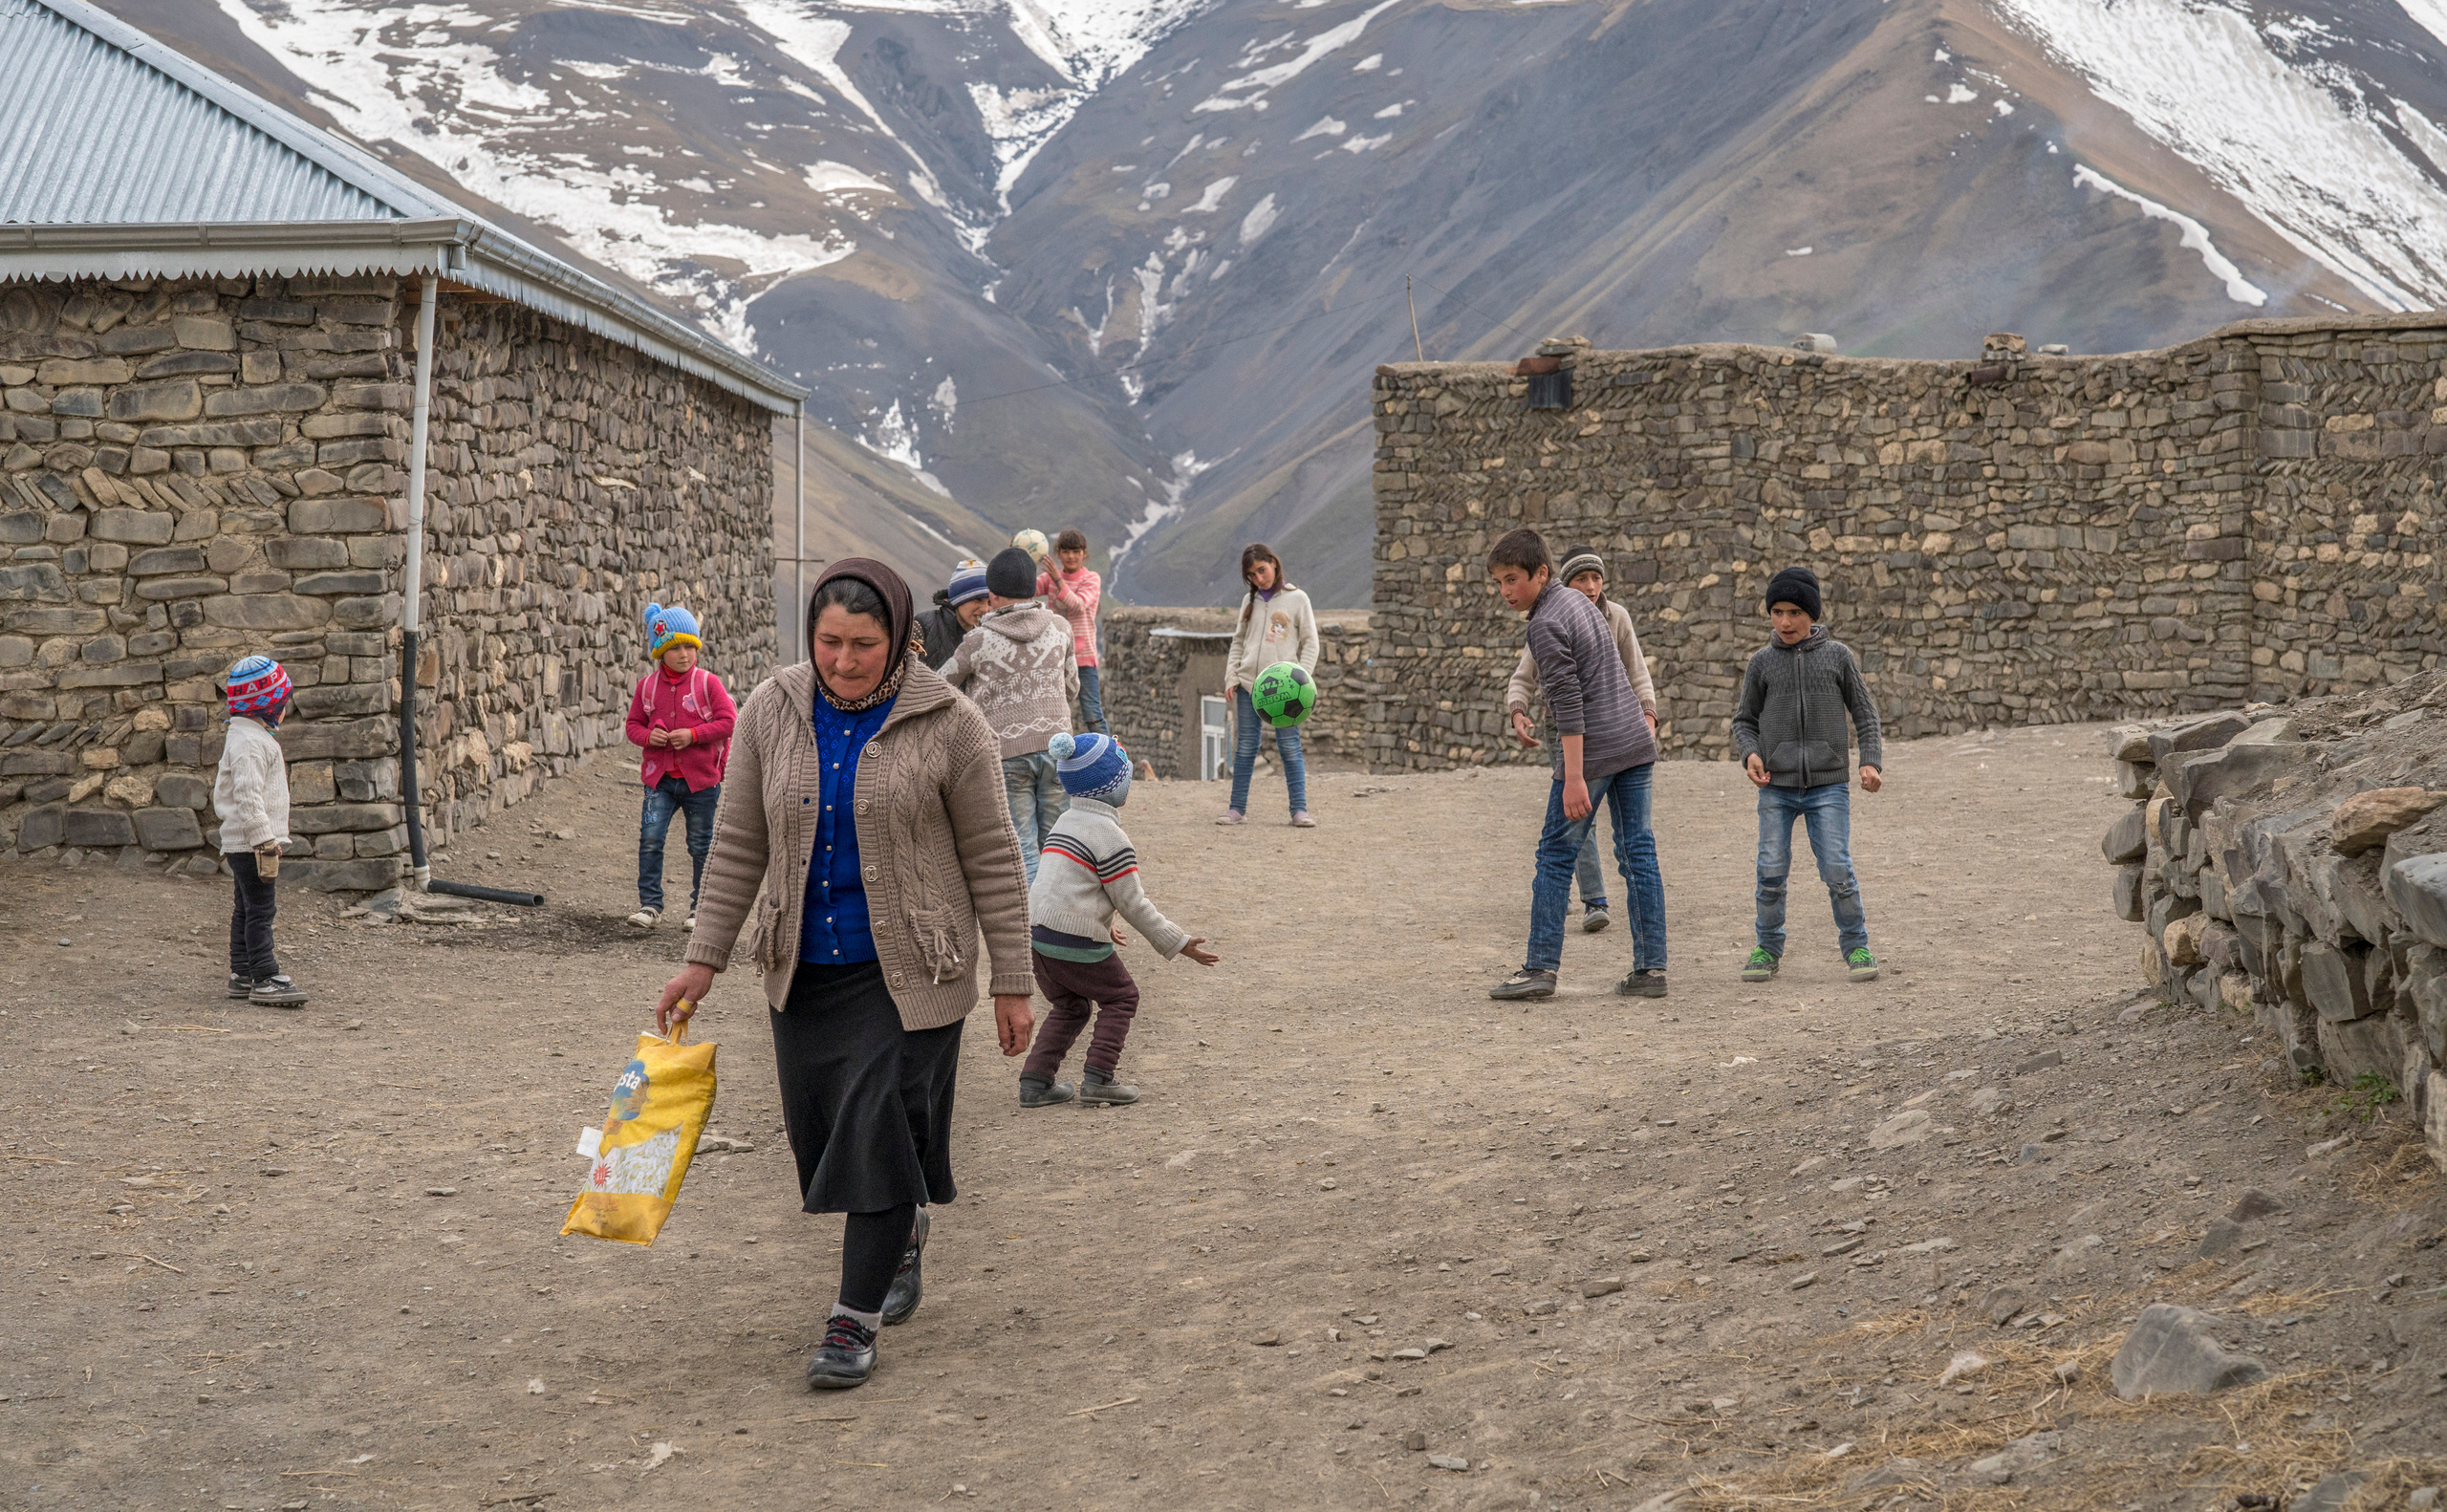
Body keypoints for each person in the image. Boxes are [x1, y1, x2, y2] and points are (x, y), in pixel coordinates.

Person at [658, 559, 1035, 1393]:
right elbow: (739, 844)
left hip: (914, 975)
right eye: (829, 641)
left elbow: (994, 857)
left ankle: (851, 1319)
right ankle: (900, 1234)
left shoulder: (951, 722)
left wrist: (1013, 978)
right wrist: (702, 959)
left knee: (875, 1131)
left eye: (865, 644)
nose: (844, 660)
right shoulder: (772, 709)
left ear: (901, 638)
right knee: (829, 1139)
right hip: (806, 971)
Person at [1483, 529, 1666, 1002]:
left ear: (1540, 574)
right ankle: (1650, 971)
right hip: (1634, 743)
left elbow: (1567, 701)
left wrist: (1574, 777)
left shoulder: (1544, 622)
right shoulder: (1580, 604)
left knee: (1554, 857)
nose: (1505, 591)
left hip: (1598, 750)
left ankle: (1540, 968)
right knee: (1639, 855)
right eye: (1498, 582)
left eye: (1511, 580)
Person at [1019, 731, 1219, 1109]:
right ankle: (1099, 1078)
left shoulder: (1064, 822)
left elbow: (1063, 883)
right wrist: (1178, 942)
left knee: (1071, 1007)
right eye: (1124, 774)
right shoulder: (1110, 837)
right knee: (1122, 997)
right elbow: (1134, 904)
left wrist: (1099, 918)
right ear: (1111, 785)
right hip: (1072, 940)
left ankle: (1035, 1082)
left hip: (1036, 935)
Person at [1730, 567, 1884, 984]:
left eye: (1795, 612)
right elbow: (1743, 721)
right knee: (1770, 870)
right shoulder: (1760, 663)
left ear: (1812, 614)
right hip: (1776, 788)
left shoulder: (1839, 657)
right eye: (1776, 612)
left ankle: (1857, 947)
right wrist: (1751, 754)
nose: (1784, 622)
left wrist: (1869, 761)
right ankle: (1766, 948)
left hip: (1828, 785)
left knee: (1837, 868)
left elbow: (1866, 713)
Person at [1505, 547, 1659, 936]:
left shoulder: (1616, 617)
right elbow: (1526, 674)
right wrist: (1518, 709)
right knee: (1581, 817)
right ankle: (1595, 899)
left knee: (1632, 843)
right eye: (1581, 579)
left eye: (1596, 578)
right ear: (1565, 584)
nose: (1590, 587)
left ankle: (1544, 963)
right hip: (1568, 731)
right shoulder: (1553, 619)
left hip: (1616, 727)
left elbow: (1637, 672)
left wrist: (1648, 717)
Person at [941, 547, 1078, 882]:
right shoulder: (1060, 628)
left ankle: (1031, 927)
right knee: (1058, 844)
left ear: (992, 595)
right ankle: (1059, 923)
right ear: (1033, 589)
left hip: (1007, 753)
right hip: (1059, 748)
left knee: (1023, 849)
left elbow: (942, 686)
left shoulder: (978, 640)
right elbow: (1072, 688)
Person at [624, 602, 737, 931]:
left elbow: (729, 721)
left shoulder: (708, 684)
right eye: (675, 647)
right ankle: (649, 905)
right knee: (650, 839)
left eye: (690, 646)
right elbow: (632, 726)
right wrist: (649, 737)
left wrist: (694, 734)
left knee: (701, 844)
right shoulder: (647, 687)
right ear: (660, 652)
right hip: (659, 782)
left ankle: (699, 909)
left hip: (701, 782)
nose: (684, 653)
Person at [215, 655, 305, 1007]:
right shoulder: (250, 743)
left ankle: (243, 973)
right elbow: (248, 794)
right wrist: (264, 839)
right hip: (252, 844)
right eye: (283, 704)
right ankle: (265, 976)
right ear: (267, 706)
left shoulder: (246, 736)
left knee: (246, 908)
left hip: (243, 843)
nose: (285, 711)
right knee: (261, 911)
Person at [1219, 543, 1318, 828]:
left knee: (1289, 746)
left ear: (1274, 563)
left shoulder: (1298, 599)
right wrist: (1232, 677)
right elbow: (1239, 642)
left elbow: (1311, 642)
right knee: (1247, 746)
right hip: (1250, 685)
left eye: (1262, 570)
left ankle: (1299, 810)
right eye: (1252, 575)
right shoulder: (1248, 602)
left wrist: (1303, 680)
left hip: (1286, 690)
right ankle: (1237, 809)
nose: (1259, 578)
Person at [1037, 529, 1107, 734]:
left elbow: (1078, 606)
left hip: (1083, 658)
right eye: (1066, 552)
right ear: (1059, 554)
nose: (1071, 557)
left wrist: (1058, 580)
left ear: (1084, 553)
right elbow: (1024, 590)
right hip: (1054, 657)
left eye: (1076, 552)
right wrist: (1022, 555)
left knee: (1093, 717)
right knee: (1052, 716)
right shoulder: (1049, 578)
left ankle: (1111, 758)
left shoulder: (1091, 579)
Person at [918, 559, 990, 671]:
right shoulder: (923, 625)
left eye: (989, 602)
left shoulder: (986, 641)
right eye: (978, 600)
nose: (985, 609)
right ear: (959, 599)